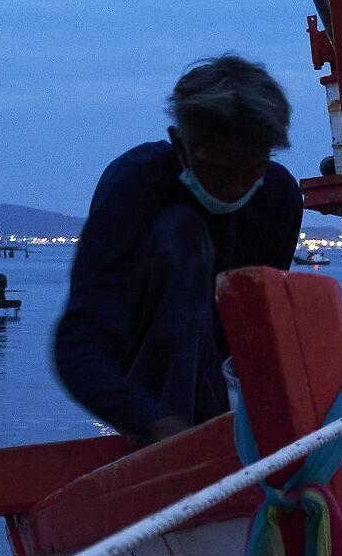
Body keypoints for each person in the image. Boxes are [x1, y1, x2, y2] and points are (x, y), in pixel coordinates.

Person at [53, 55, 305, 445]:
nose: (233, 189)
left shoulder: (279, 197)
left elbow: (255, 320)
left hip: (223, 383)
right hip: (144, 390)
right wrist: (155, 422)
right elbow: (78, 345)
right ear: (180, 144)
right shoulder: (133, 186)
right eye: (218, 171)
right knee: (182, 231)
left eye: (250, 172)